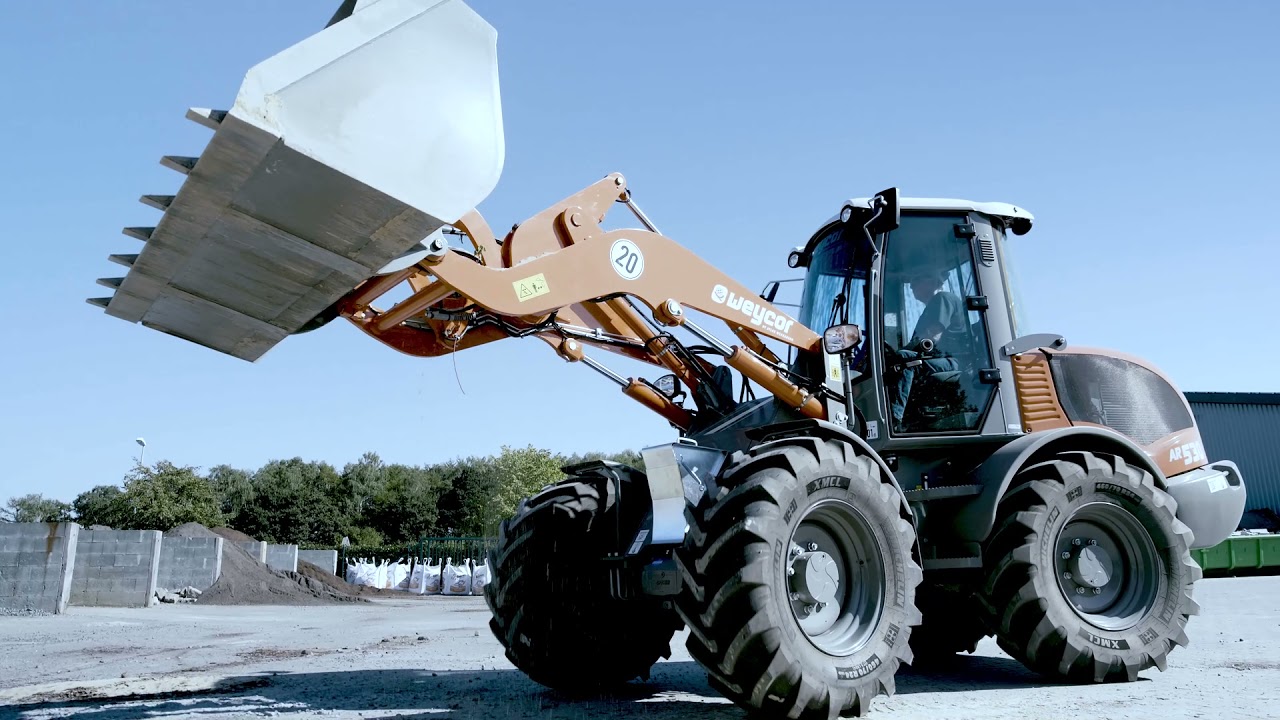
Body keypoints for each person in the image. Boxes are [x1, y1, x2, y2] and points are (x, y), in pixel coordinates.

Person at [889, 269, 965, 430]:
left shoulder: (942, 298)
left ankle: (894, 419)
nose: (911, 286)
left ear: (933, 281)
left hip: (954, 360)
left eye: (916, 280)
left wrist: (901, 351)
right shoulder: (932, 306)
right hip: (942, 359)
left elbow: (932, 337)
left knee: (905, 359)